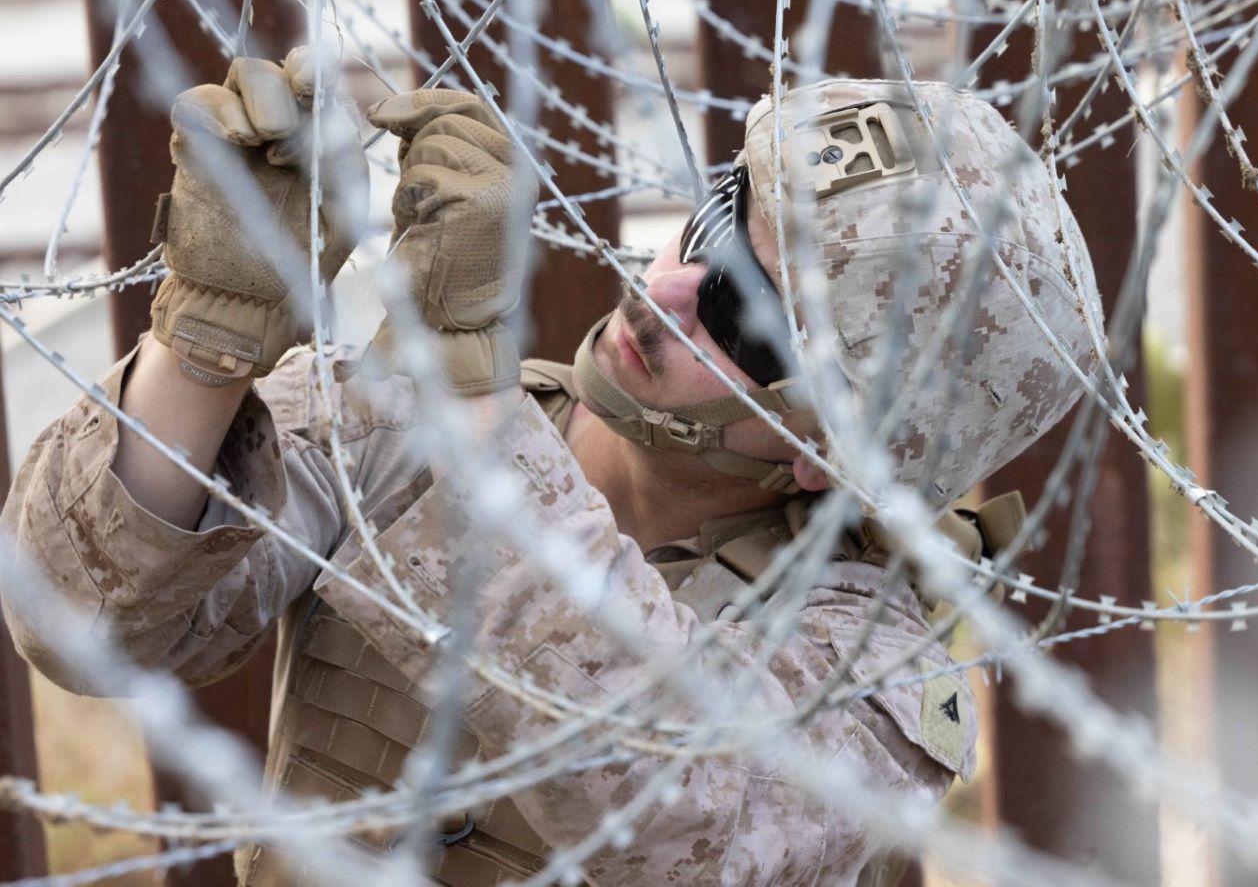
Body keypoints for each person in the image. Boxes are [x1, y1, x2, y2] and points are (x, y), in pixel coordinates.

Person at [0, 49, 1103, 885]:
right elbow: (83, 624)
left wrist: (468, 409)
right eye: (716, 223)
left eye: (750, 315)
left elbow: (681, 822)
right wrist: (208, 341)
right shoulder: (397, 422)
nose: (668, 291)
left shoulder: (873, 666)